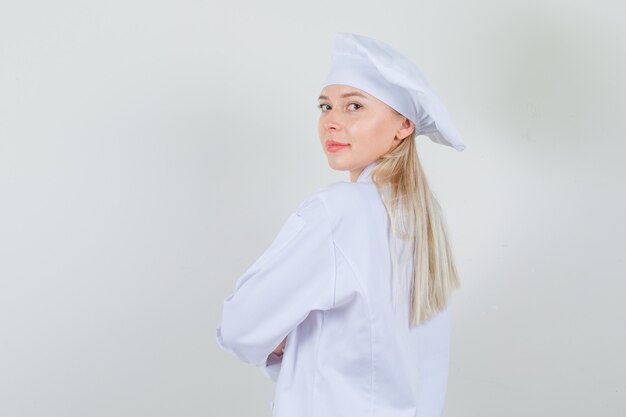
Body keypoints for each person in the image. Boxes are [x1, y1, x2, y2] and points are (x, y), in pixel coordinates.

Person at [216, 32, 467, 417]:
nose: (332, 121)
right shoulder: (423, 221)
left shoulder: (339, 211)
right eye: (324, 106)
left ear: (403, 125)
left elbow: (240, 327)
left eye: (353, 106)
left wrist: (280, 338)